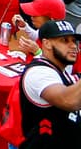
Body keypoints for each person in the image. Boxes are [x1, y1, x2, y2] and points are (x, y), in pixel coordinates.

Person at [12, 18, 81, 147]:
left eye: (74, 41)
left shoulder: (62, 70)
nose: (73, 46)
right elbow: (68, 100)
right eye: (64, 40)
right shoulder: (38, 72)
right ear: (47, 44)